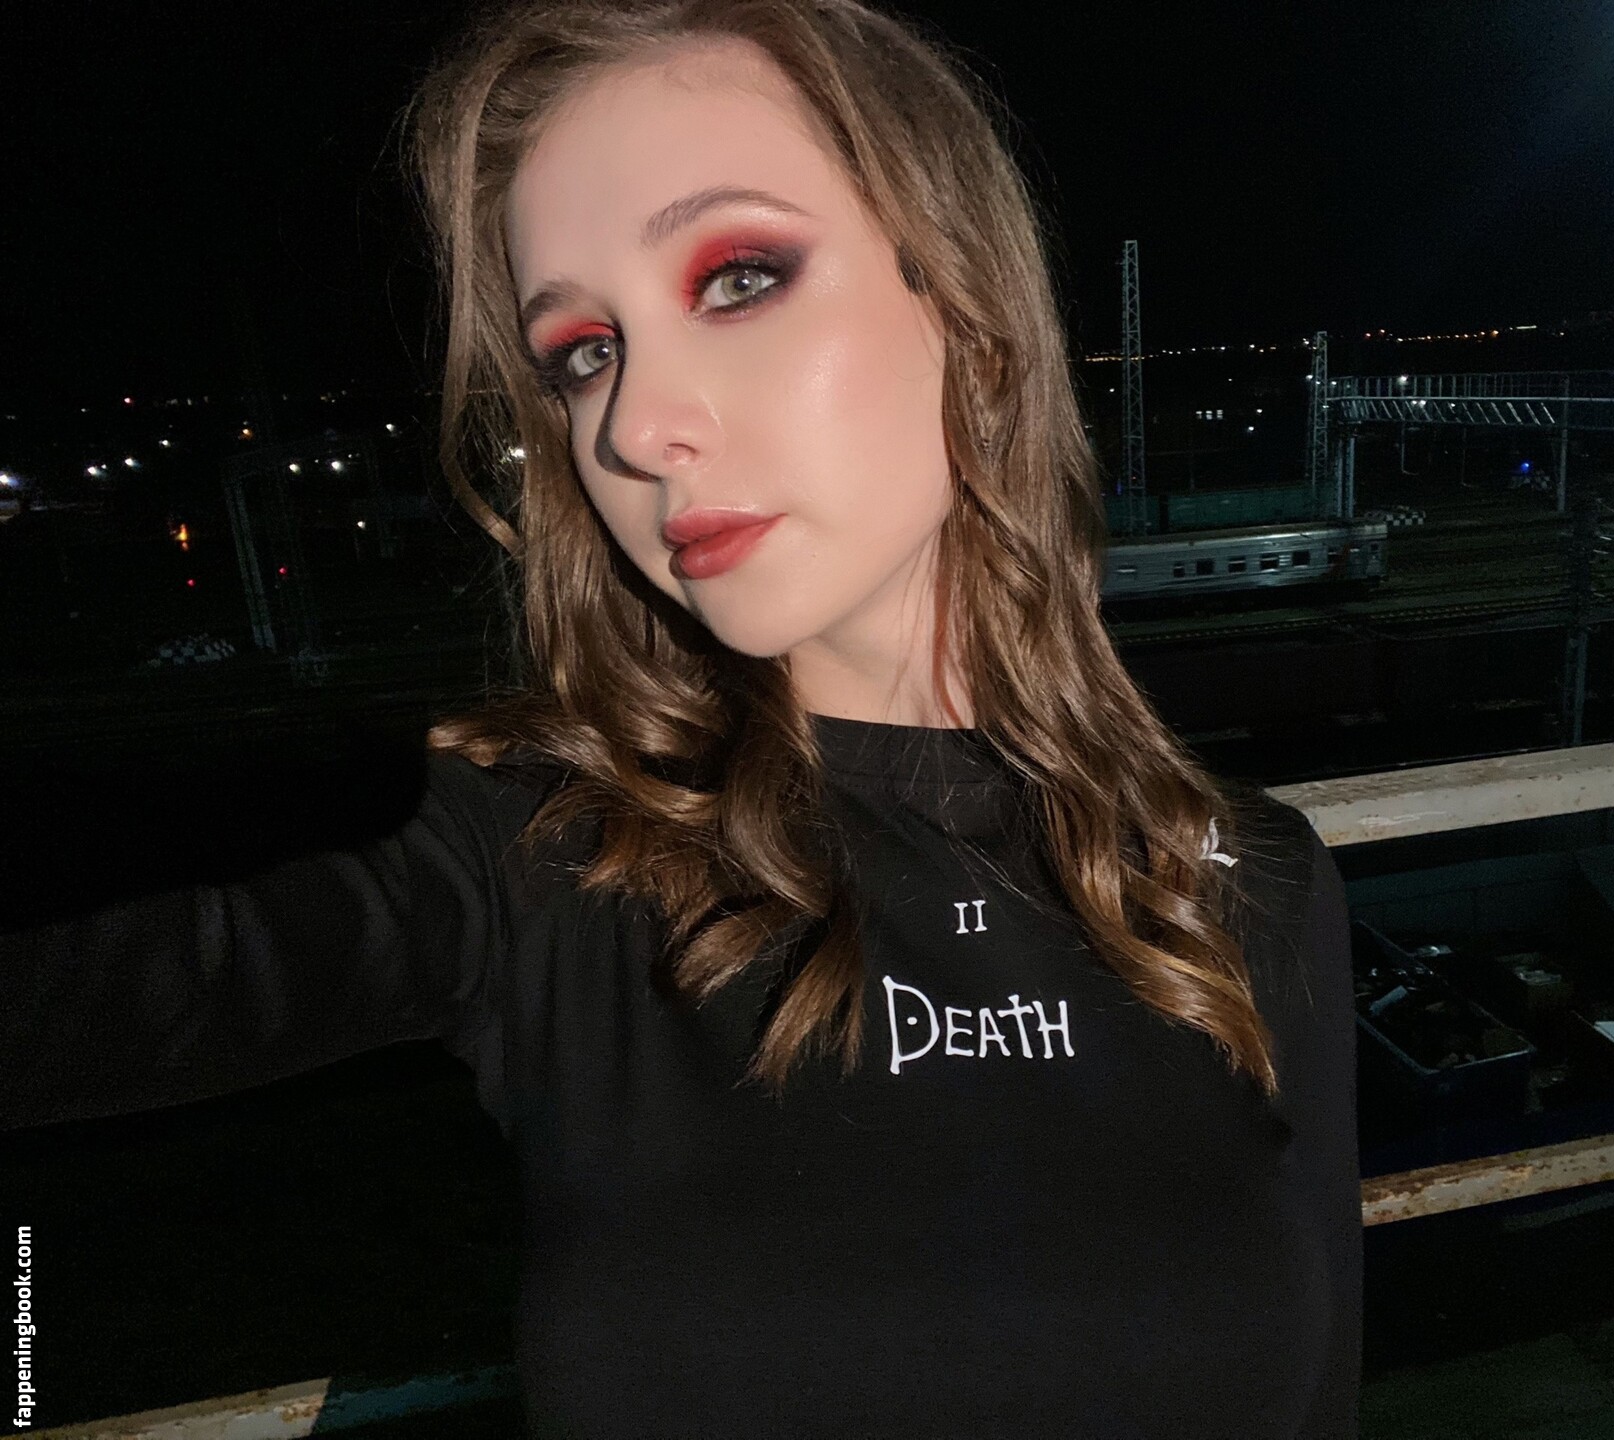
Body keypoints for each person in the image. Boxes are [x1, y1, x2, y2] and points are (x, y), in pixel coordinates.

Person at [2, 0, 1359, 1434]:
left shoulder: (1249, 882)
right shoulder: (537, 851)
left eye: (736, 278)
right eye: (584, 351)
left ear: (965, 305)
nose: (634, 428)